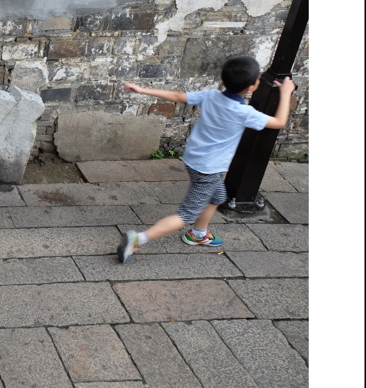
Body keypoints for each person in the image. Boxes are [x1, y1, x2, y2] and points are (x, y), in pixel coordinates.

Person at [117, 56, 297, 262]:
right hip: (208, 169)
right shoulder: (243, 112)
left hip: (194, 159)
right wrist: (286, 93)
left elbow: (177, 95)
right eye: (258, 79)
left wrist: (142, 90)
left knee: (218, 197)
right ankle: (138, 239)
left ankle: (198, 234)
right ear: (250, 88)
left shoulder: (211, 96)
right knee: (186, 215)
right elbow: (279, 122)